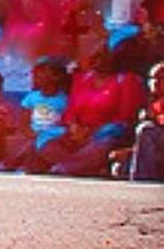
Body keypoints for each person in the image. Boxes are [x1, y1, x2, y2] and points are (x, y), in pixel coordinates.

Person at [36, 44, 140, 177]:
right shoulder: (83, 79)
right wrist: (74, 127)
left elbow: (126, 117)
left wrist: (91, 132)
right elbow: (71, 109)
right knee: (44, 138)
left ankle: (68, 167)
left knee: (108, 136)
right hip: (78, 130)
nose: (98, 60)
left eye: (103, 56)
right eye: (95, 56)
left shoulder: (126, 80)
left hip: (104, 132)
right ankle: (84, 167)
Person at [0, 58, 71, 170]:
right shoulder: (31, 98)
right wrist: (31, 134)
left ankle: (14, 165)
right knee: (30, 145)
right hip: (31, 136)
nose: (39, 76)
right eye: (37, 73)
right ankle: (15, 164)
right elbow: (23, 123)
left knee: (38, 146)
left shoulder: (64, 100)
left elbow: (65, 125)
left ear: (57, 77)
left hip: (51, 138)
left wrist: (48, 135)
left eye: (43, 72)